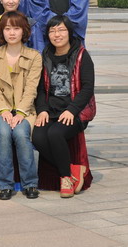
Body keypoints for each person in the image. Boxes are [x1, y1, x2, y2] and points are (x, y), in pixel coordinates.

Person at [32, 16, 95, 197]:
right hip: (51, 111)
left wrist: (72, 110)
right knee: (37, 137)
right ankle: (75, 169)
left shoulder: (82, 55)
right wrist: (42, 110)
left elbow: (87, 88)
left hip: (76, 111)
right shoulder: (45, 56)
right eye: (52, 31)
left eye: (61, 30)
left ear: (69, 32)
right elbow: (40, 89)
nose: (56, 35)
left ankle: (66, 177)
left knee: (55, 133)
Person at [0, 11, 41, 199]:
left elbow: (31, 88)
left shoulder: (34, 56)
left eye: (16, 28)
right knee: (4, 132)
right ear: (2, 31)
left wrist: (21, 112)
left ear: (24, 31)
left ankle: (30, 183)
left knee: (21, 133)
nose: (12, 33)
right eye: (7, 28)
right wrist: (4, 110)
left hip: (26, 110)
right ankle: (5, 185)